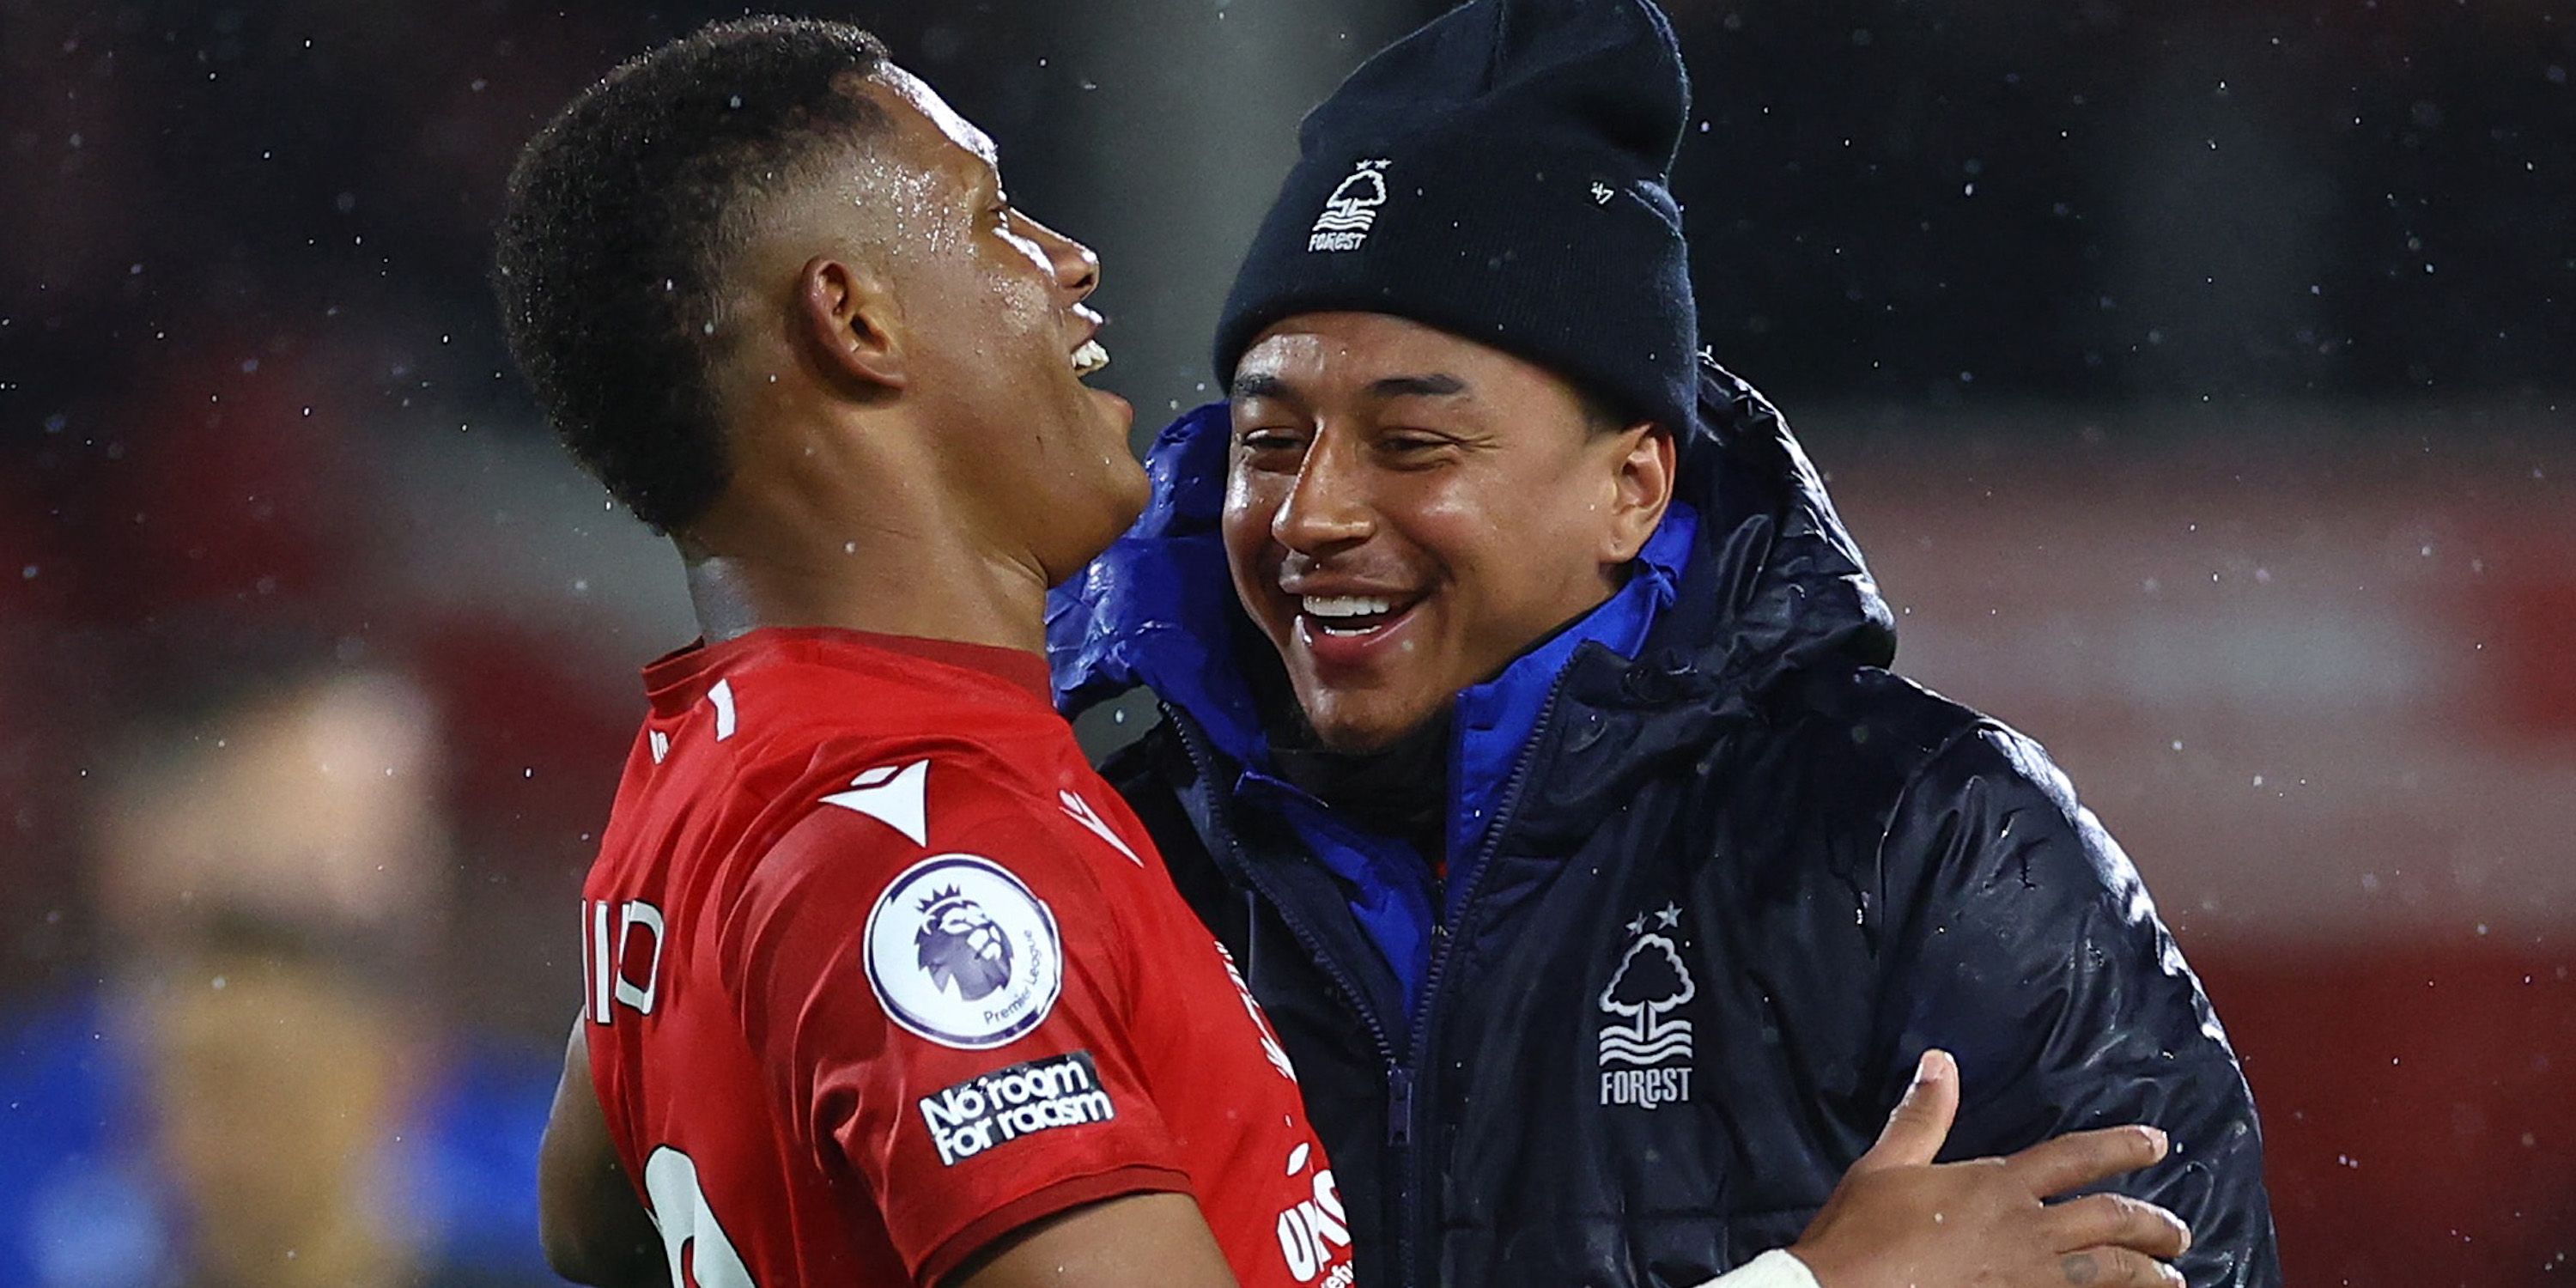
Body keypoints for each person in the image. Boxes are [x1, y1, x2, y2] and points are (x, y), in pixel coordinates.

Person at [498, 15, 2192, 1288]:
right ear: (855, 321)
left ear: (1635, 483)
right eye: (992, 215)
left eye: (1414, 438)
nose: (1068, 260)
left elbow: (605, 1211)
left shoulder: (715, 786)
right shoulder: (940, 865)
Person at [1048, 1, 2281, 1286]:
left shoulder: (1910, 836)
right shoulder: (1119, 857)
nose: (1315, 513)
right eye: (1268, 441)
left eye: (1412, 444)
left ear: (1633, 487)